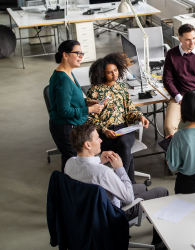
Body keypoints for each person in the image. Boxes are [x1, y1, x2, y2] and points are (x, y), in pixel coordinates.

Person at [64, 124, 168, 248]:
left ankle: (152, 217)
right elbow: (129, 198)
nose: (101, 140)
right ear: (87, 145)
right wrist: (120, 168)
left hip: (87, 211)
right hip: (112, 214)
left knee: (142, 188)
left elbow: (87, 167)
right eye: (97, 138)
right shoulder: (103, 173)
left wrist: (99, 160)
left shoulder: (69, 164)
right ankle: (158, 241)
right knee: (162, 192)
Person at [86, 52, 149, 183]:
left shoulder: (121, 87)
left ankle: (120, 184)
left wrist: (140, 116)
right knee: (125, 150)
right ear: (102, 73)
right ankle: (129, 184)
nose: (114, 74)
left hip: (123, 128)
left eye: (115, 70)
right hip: (104, 132)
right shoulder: (94, 91)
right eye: (110, 72)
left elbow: (130, 109)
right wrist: (104, 130)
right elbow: (90, 118)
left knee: (123, 144)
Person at [48, 40, 103, 172]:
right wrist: (89, 109)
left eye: (81, 53)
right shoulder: (63, 79)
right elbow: (64, 111)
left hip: (69, 125)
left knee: (69, 163)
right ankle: (69, 189)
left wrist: (85, 102)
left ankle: (67, 188)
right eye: (77, 53)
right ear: (65, 55)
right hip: (65, 127)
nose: (81, 56)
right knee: (73, 165)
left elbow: (69, 100)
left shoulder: (68, 73)